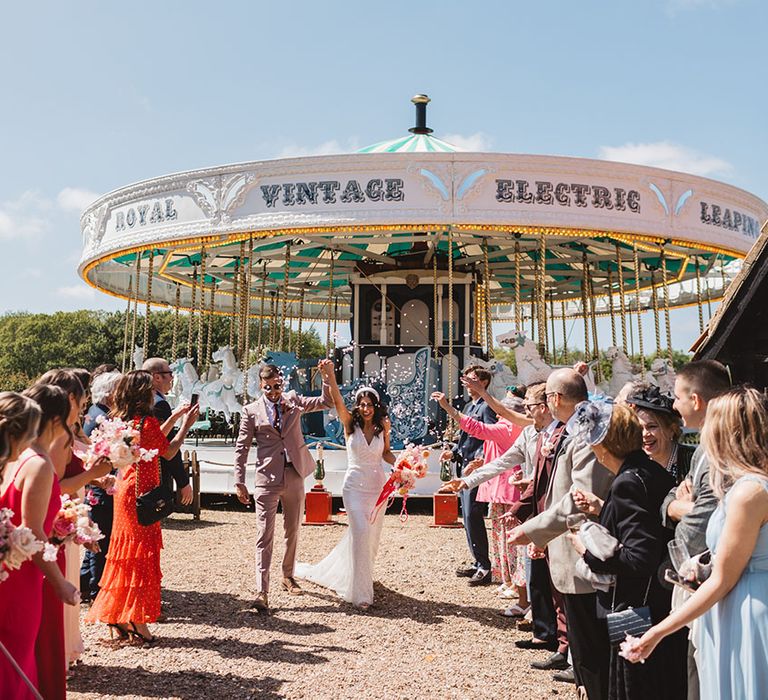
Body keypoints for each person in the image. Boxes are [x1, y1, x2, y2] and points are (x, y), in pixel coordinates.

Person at [633, 387, 768, 699]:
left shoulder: (750, 492)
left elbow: (722, 579)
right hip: (733, 602)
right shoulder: (744, 485)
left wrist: (657, 631)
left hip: (747, 607)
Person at [441, 381, 571, 677]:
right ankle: (546, 633)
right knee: (536, 573)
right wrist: (467, 481)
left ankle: (563, 645)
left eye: (529, 408)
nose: (526, 412)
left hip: (553, 510)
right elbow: (502, 462)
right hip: (533, 508)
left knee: (555, 579)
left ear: (544, 407)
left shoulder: (562, 435)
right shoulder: (529, 434)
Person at [507, 368, 615, 699]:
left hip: (584, 553)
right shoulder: (576, 426)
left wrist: (534, 531)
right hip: (570, 546)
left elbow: (579, 498)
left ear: (554, 399)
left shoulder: (585, 430)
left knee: (591, 652)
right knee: (585, 652)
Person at [570, 401, 687, 699]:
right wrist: (603, 508)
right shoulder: (649, 470)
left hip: (636, 608)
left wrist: (587, 552)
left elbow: (639, 558)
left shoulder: (627, 482)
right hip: (658, 600)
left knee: (635, 686)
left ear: (602, 446)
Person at [86, 371, 198, 643]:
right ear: (143, 394)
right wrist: (186, 425)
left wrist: (174, 417)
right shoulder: (145, 423)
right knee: (140, 557)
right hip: (142, 494)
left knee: (122, 555)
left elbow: (149, 440)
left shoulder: (120, 420)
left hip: (125, 489)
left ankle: (118, 617)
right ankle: (135, 620)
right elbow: (168, 451)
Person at [234, 360, 333, 612]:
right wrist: (239, 480)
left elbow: (326, 402)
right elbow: (242, 447)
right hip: (267, 478)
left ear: (282, 382)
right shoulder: (251, 410)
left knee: (293, 530)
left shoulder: (293, 400)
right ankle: (261, 591)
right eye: (268, 388)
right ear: (260, 386)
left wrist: (326, 378)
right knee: (264, 535)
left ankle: (287, 575)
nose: (273, 392)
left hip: (295, 473)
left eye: (277, 386)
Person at [0, 386, 80, 699]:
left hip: (12, 566)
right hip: (19, 575)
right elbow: (32, 530)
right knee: (15, 657)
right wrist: (60, 582)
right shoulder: (36, 464)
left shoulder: (11, 463)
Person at [296, 364, 396, 608]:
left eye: (369, 404)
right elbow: (338, 401)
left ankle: (361, 575)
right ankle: (361, 593)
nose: (365, 408)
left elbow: (386, 453)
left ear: (376, 406)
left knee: (370, 538)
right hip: (354, 487)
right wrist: (329, 375)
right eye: (362, 404)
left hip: (377, 488)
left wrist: (404, 464)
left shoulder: (383, 427)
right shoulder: (350, 424)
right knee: (360, 532)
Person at [659, 359, 730, 700]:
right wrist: (677, 505)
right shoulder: (702, 446)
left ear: (697, 400)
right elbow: (674, 496)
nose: (674, 405)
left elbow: (696, 528)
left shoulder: (719, 451)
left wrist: (679, 509)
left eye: (677, 397)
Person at [431, 390, 527, 609]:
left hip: (507, 487)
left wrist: (447, 406)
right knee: (500, 537)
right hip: (497, 484)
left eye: (501, 409)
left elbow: (476, 428)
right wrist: (481, 462)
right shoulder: (509, 428)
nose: (497, 412)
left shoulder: (508, 427)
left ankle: (514, 582)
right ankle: (508, 579)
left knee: (509, 539)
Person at [440, 366, 497, 586]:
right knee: (467, 518)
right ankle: (477, 562)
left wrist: (482, 458)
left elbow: (491, 435)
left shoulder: (486, 407)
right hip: (464, 465)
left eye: (472, 379)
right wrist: (453, 451)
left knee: (474, 515)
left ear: (483, 383)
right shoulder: (467, 406)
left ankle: (485, 566)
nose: (466, 382)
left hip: (476, 468)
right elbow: (465, 436)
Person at [81, 369, 122, 603]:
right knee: (101, 544)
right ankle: (98, 595)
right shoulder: (102, 418)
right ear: (110, 393)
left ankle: (91, 587)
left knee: (98, 543)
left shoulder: (96, 413)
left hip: (99, 487)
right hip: (101, 488)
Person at [142, 357, 193, 507]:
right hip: (154, 473)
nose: (172, 377)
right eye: (170, 373)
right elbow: (168, 448)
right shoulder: (159, 404)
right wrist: (183, 482)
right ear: (157, 377)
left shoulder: (144, 399)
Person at [627, 385, 694, 485]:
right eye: (639, 428)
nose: (645, 434)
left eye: (652, 426)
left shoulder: (692, 460)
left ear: (671, 429)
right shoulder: (635, 465)